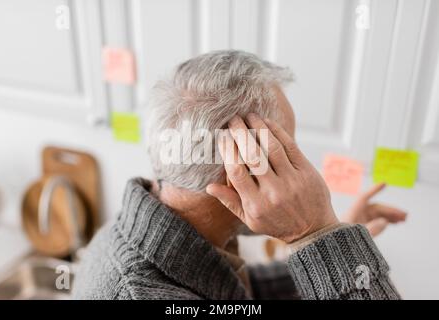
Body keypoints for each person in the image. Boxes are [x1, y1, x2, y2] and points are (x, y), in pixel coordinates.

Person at [73, 50, 406, 300]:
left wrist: (328, 244)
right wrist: (316, 232)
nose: (296, 172)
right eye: (287, 153)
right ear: (239, 171)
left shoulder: (151, 229)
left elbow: (230, 289)